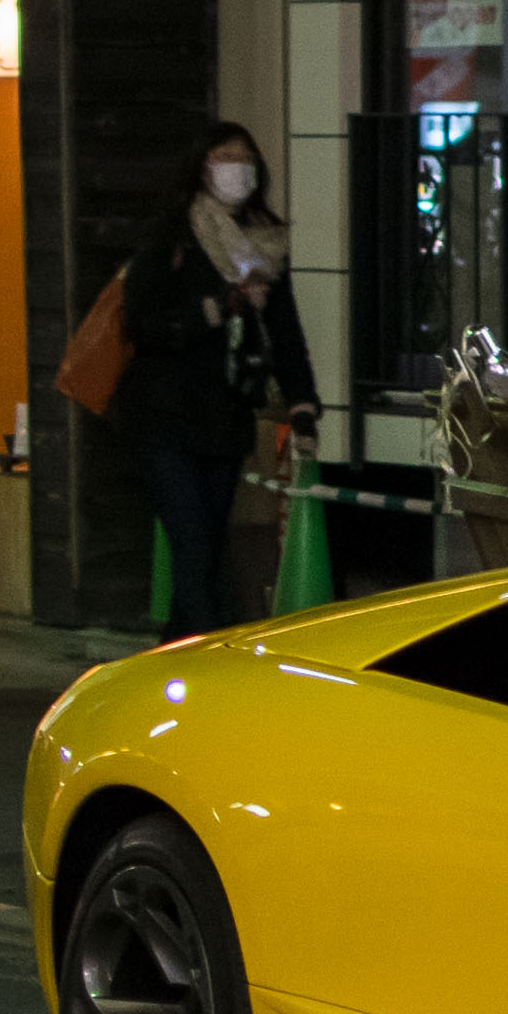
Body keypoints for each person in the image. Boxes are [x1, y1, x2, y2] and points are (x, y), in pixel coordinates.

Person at [109, 123, 317, 639]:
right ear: (201, 167)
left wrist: (303, 402)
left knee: (206, 540)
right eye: (225, 157)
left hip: (225, 416)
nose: (237, 168)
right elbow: (141, 321)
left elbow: (285, 330)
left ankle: (177, 654)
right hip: (162, 415)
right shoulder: (172, 237)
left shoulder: (265, 244)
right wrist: (217, 308)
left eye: (246, 158)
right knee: (192, 536)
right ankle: (203, 648)